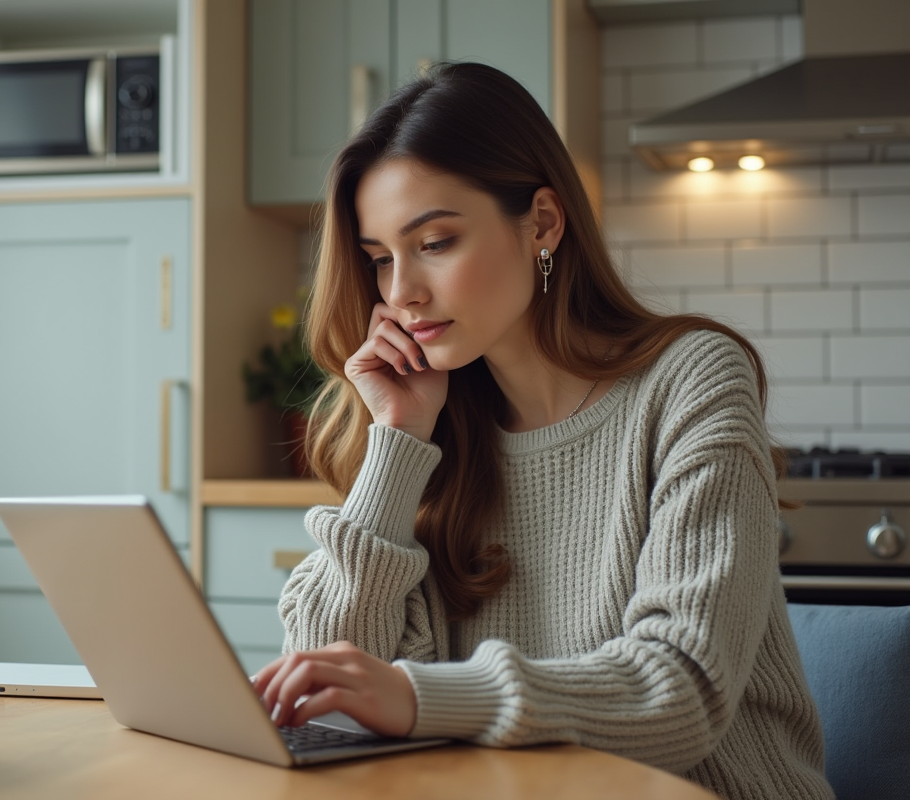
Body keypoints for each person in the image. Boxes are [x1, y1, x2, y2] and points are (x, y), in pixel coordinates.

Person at [250, 63, 834, 800]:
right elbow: (324, 682)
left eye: (434, 242)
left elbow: (683, 690)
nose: (401, 292)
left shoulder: (689, 380)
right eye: (379, 260)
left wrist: (422, 698)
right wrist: (397, 440)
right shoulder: (436, 431)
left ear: (543, 224)